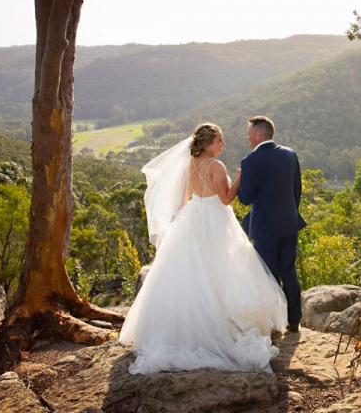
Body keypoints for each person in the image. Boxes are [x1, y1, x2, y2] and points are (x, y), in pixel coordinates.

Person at [119, 123, 287, 375]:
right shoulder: (216, 166)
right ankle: (221, 323)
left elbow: (182, 201)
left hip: (193, 218)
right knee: (223, 268)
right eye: (220, 140)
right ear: (208, 143)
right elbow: (226, 198)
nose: (223, 144)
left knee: (196, 272)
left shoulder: (188, 164)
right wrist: (241, 177)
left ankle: (192, 324)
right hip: (216, 221)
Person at [238, 116, 306, 332]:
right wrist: (289, 214)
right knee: (289, 270)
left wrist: (241, 179)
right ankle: (294, 321)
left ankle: (274, 322)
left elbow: (245, 198)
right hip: (289, 223)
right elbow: (297, 191)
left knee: (267, 274)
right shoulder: (290, 154)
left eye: (249, 134)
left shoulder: (249, 162)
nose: (248, 138)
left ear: (259, 135)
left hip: (264, 228)